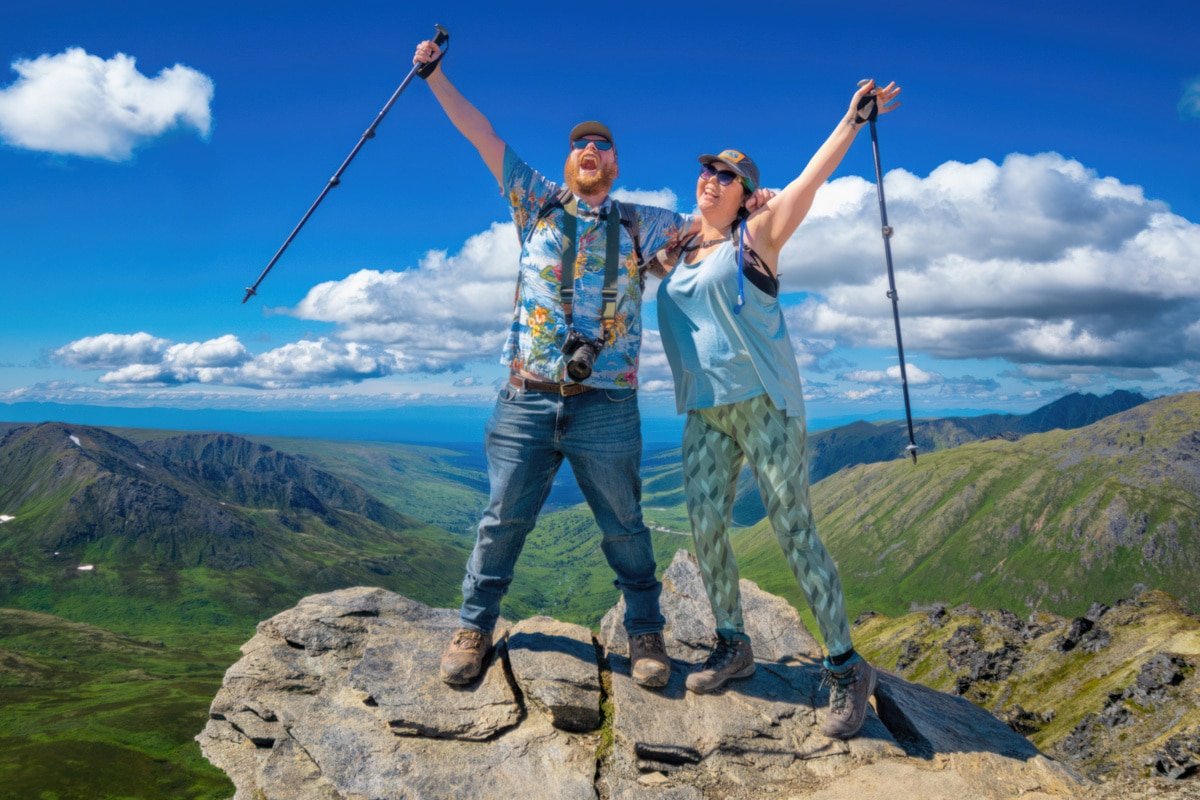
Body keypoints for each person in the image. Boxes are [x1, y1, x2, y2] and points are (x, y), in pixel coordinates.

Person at [410, 38, 696, 690]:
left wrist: (751, 205)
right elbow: (481, 134)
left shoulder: (642, 223)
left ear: (615, 165)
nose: (589, 151)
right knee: (502, 518)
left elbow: (711, 226)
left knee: (624, 524)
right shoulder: (534, 201)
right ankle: (474, 625)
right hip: (527, 395)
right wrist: (434, 76)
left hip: (608, 401)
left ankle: (645, 630)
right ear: (568, 162)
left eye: (601, 146)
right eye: (579, 146)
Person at [654, 79, 901, 738]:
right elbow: (619, 250)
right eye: (708, 168)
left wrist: (851, 122)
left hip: (765, 402)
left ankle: (848, 667)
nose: (711, 177)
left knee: (795, 530)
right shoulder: (677, 252)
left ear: (743, 193)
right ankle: (734, 644)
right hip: (704, 410)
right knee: (705, 527)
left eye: (726, 174)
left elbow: (811, 182)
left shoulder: (757, 235)